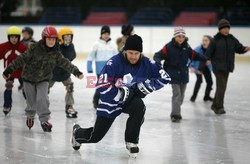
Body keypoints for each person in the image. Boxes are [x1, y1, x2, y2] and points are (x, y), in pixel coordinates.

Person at [71, 35, 171, 157]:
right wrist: (119, 93)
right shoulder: (114, 62)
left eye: (136, 53)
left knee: (139, 107)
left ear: (140, 52)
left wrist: (145, 87)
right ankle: (77, 133)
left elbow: (165, 77)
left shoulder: (147, 63)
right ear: (125, 51)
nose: (133, 56)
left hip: (130, 99)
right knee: (95, 137)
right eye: (130, 53)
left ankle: (131, 141)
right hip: (111, 101)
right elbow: (101, 84)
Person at [2, 26, 84, 132]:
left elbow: (65, 62)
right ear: (44, 38)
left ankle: (44, 120)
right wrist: (9, 70)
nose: (51, 42)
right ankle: (30, 116)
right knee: (31, 101)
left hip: (44, 79)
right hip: (29, 79)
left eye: (53, 39)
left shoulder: (56, 53)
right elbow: (21, 59)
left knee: (43, 99)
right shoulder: (34, 48)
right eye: (49, 39)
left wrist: (76, 71)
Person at [154, 26, 208, 123]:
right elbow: (157, 55)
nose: (180, 38)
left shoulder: (187, 47)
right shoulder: (168, 47)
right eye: (178, 36)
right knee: (177, 94)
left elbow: (195, 55)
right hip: (172, 74)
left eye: (182, 37)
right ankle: (175, 115)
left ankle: (176, 110)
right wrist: (158, 63)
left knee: (181, 97)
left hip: (184, 75)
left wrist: (205, 59)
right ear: (175, 36)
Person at [199, 19, 250, 115]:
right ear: (220, 29)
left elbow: (239, 48)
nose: (226, 30)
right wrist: (201, 67)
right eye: (224, 28)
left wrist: (246, 49)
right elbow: (207, 55)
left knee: (221, 87)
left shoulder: (232, 39)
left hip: (227, 67)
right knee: (221, 88)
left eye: (227, 28)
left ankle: (214, 104)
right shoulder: (214, 41)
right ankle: (219, 107)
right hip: (218, 68)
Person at [49, 27, 78, 118]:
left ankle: (69, 106)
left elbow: (72, 56)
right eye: (66, 37)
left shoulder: (71, 46)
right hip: (53, 73)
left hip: (65, 73)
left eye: (70, 37)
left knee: (70, 87)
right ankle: (41, 104)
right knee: (44, 88)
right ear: (60, 38)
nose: (68, 39)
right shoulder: (55, 46)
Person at [87, 25, 117, 109]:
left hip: (110, 70)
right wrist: (89, 67)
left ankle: (105, 101)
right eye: (104, 33)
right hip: (100, 70)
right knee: (101, 86)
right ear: (101, 34)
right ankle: (96, 100)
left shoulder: (113, 44)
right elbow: (90, 56)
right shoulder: (96, 44)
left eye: (107, 33)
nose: (106, 35)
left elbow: (116, 58)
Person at [0, 26, 27, 115]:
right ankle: (7, 106)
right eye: (12, 37)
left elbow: (28, 58)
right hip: (9, 73)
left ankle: (31, 105)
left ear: (19, 38)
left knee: (26, 88)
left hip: (22, 72)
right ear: (9, 37)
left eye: (16, 37)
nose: (14, 39)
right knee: (8, 87)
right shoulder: (3, 46)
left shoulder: (23, 47)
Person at [190, 35, 213, 102]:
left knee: (210, 82)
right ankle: (193, 97)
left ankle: (206, 96)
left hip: (206, 67)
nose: (204, 42)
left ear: (210, 42)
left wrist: (211, 62)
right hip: (197, 66)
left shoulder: (212, 49)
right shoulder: (198, 49)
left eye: (206, 40)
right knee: (199, 80)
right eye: (203, 40)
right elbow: (190, 57)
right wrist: (191, 66)